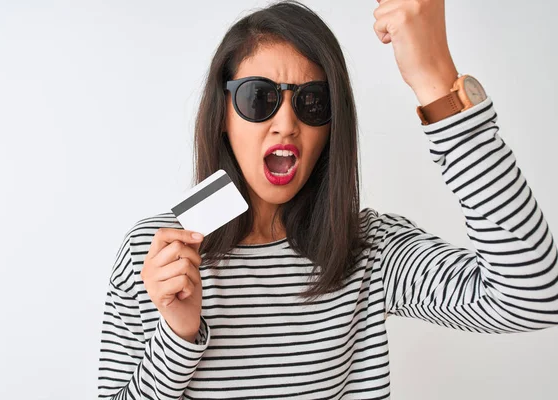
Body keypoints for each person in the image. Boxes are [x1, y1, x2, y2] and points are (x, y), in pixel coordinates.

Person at [98, 1, 558, 398]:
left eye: (312, 102)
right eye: (259, 98)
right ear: (222, 114)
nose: (285, 124)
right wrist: (177, 336)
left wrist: (436, 80)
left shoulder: (365, 249)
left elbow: (534, 296)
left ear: (332, 126)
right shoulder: (156, 254)